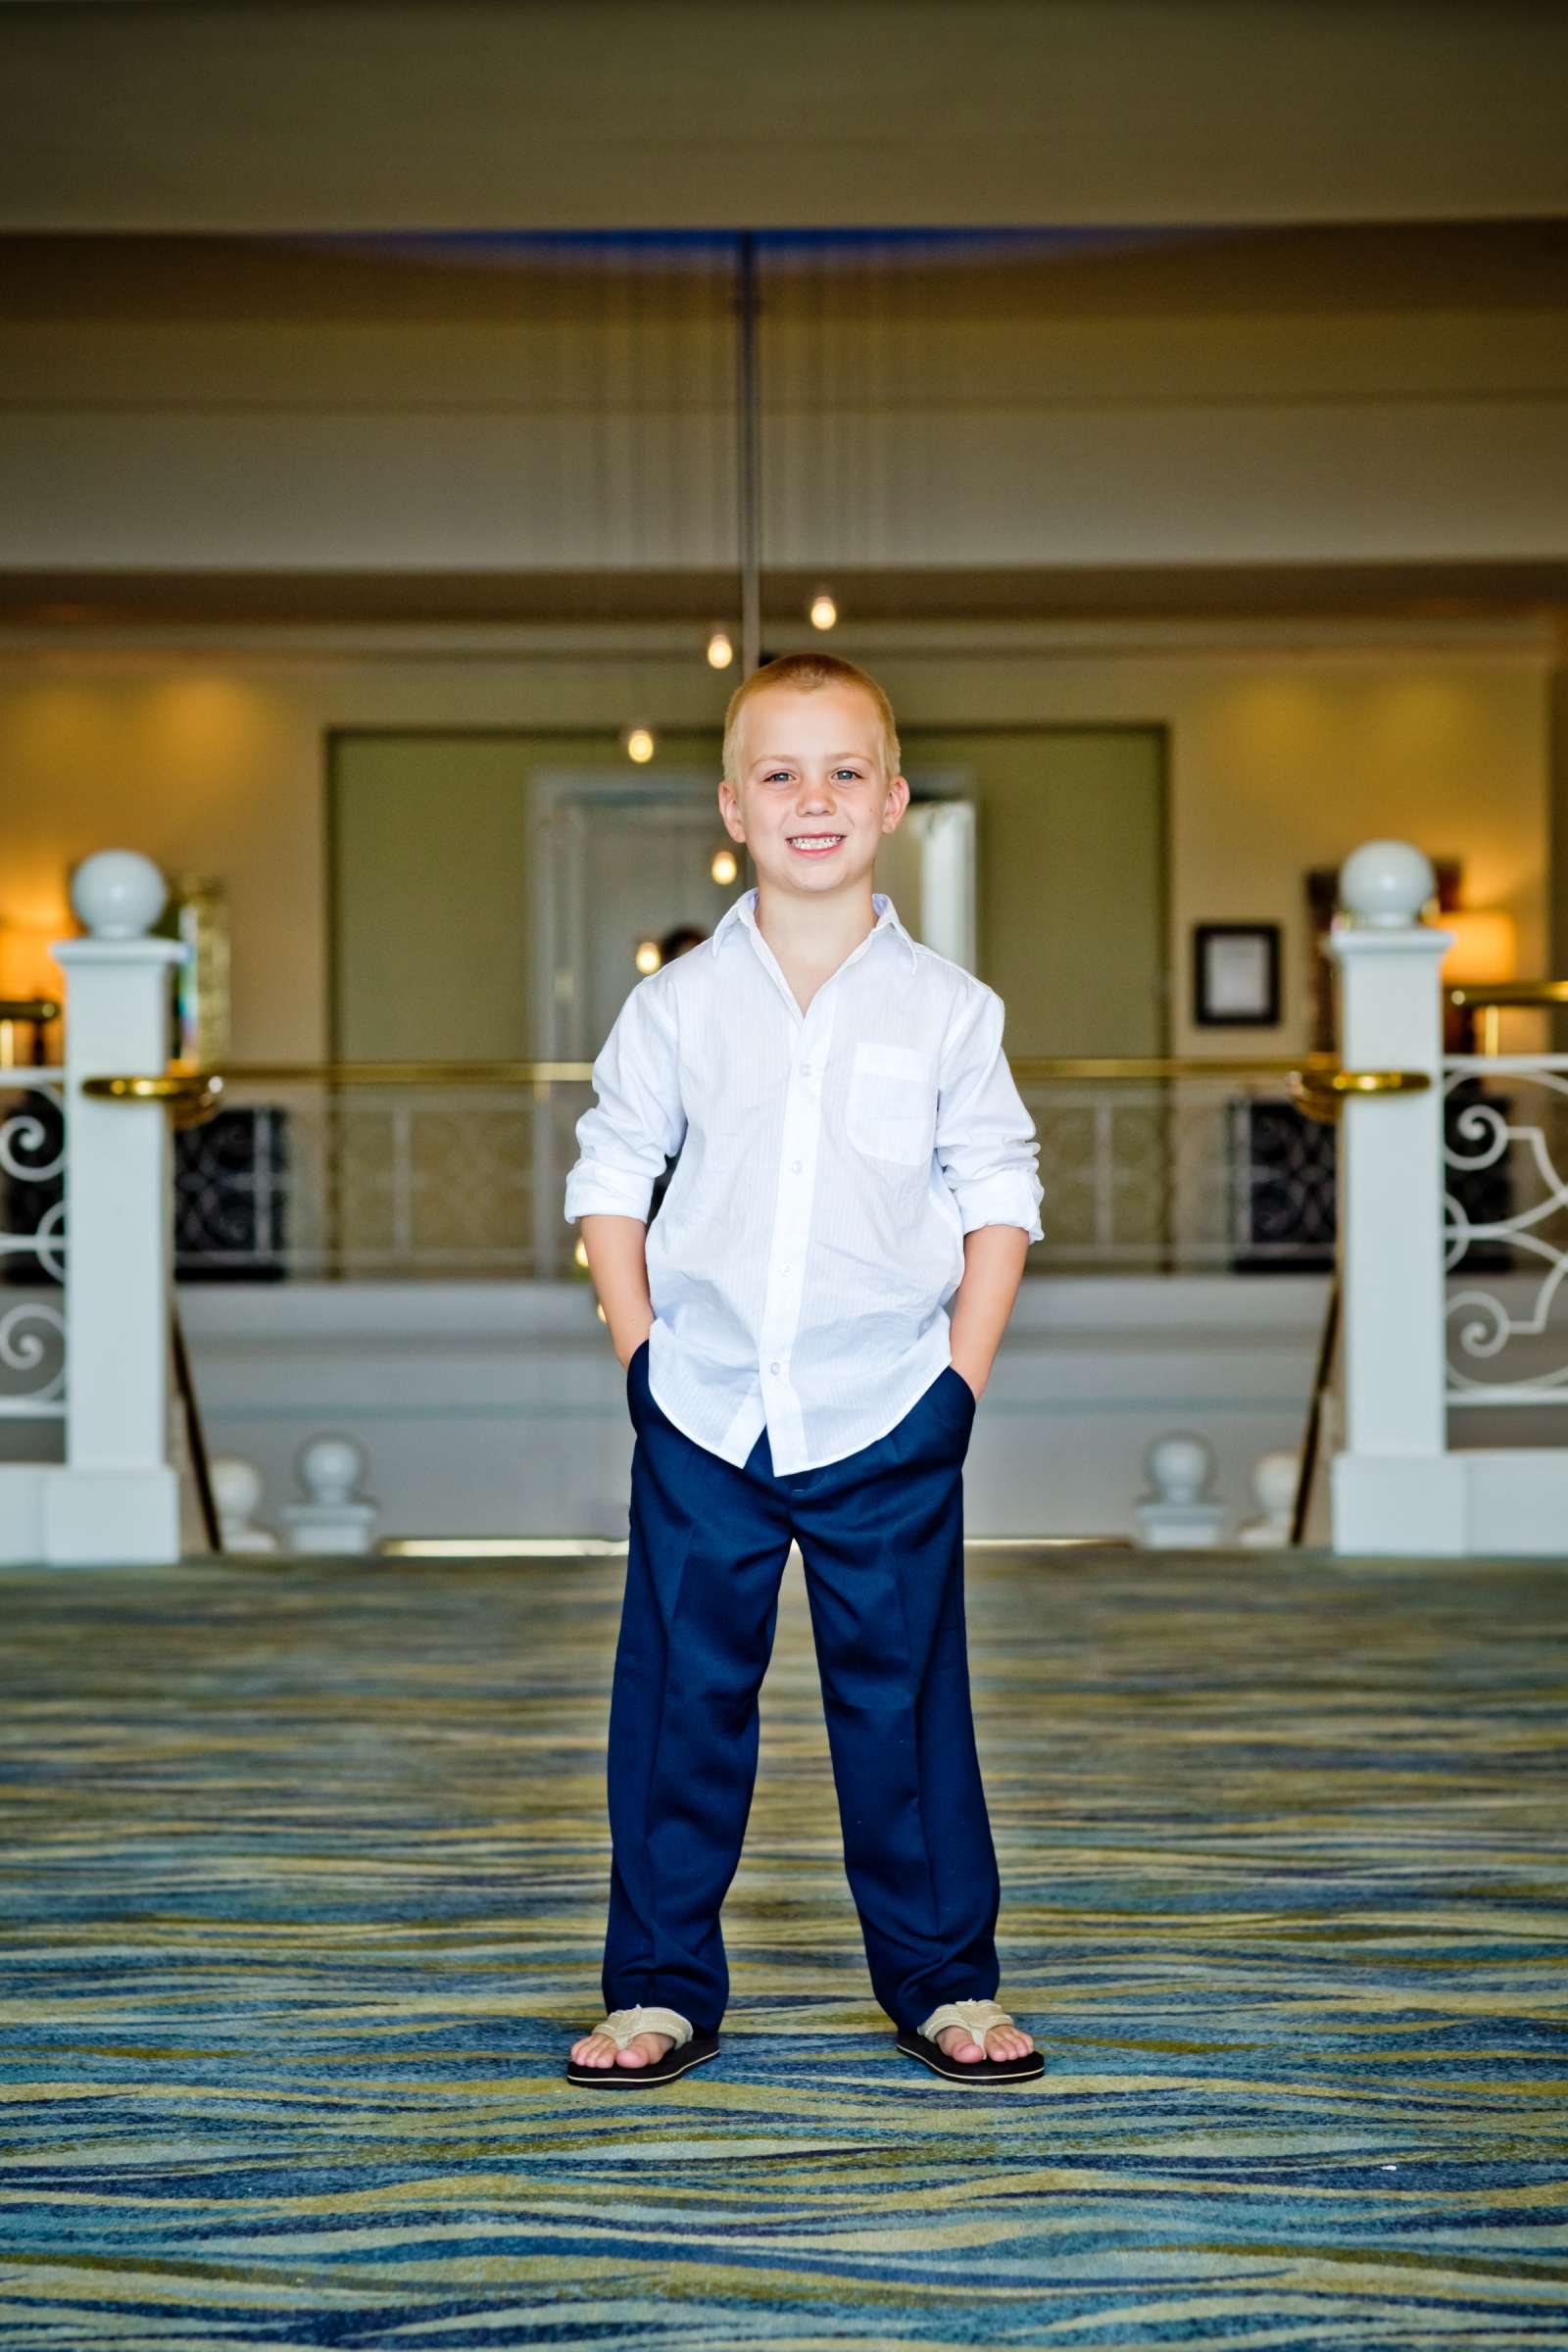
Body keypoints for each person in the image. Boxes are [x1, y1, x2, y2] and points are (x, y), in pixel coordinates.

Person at [562, 652, 1045, 2088]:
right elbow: (610, 1176)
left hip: (889, 1409)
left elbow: (997, 1194)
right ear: (733, 805)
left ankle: (946, 1984)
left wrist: (957, 1382)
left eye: (845, 771)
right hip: (706, 1409)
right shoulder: (678, 1007)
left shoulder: (951, 1010)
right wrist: (645, 1357)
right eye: (781, 773)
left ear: (892, 799)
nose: (813, 799)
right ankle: (656, 1989)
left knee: (902, 1706)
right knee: (675, 1707)